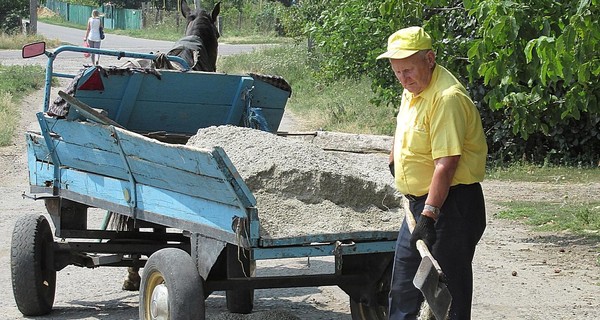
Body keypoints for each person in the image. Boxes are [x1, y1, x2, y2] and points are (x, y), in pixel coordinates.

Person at [376, 26, 488, 319]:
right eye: (397, 71)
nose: (403, 78)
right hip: (418, 207)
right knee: (403, 290)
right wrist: (395, 160)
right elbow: (403, 129)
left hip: (450, 208)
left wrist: (429, 216)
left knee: (447, 298)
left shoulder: (447, 98)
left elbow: (446, 165)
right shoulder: (412, 88)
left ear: (430, 58)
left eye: (408, 70)